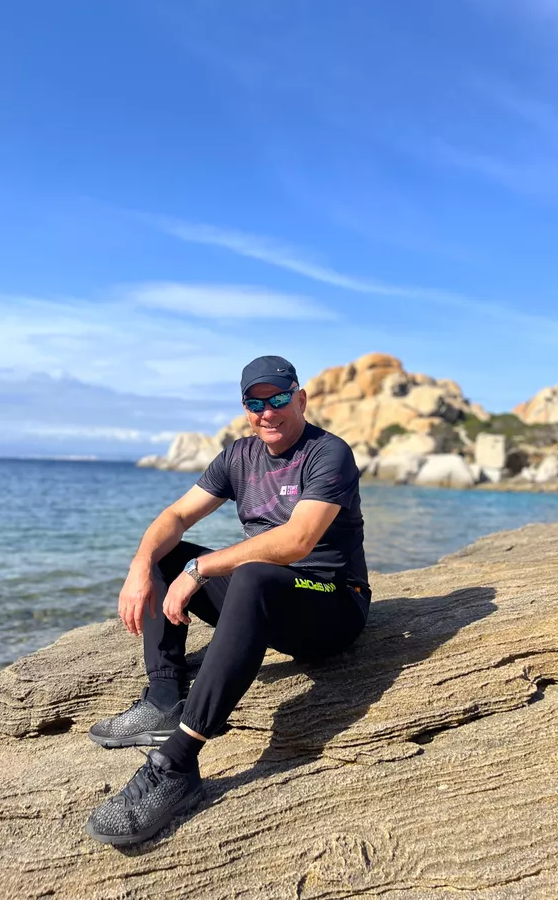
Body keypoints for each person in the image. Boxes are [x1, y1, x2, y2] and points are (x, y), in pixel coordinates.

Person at [85, 355, 371, 846]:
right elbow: (176, 516)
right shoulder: (239, 456)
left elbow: (298, 541)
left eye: (279, 399)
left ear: (301, 399)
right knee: (167, 554)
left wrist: (201, 569)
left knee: (249, 574)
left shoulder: (329, 453)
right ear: (245, 409)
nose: (268, 412)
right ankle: (163, 699)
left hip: (331, 602)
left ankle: (178, 762)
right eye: (256, 403)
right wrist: (140, 565)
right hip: (266, 599)